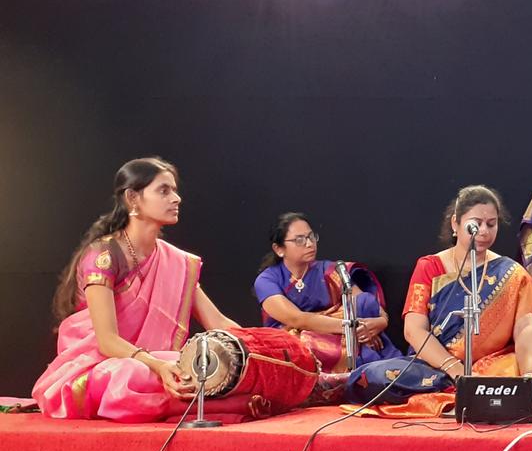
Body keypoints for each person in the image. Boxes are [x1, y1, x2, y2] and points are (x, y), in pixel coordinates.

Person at [32, 157, 242, 423]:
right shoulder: (103, 255)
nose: (176, 198)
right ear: (133, 198)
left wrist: (260, 348)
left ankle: (195, 398)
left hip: (158, 362)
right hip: (103, 364)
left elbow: (218, 322)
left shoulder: (176, 262)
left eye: (175, 190)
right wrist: (159, 366)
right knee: (131, 375)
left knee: (199, 365)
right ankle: (210, 402)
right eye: (164, 191)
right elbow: (107, 341)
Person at [344, 185, 532, 416]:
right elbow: (414, 331)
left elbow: (526, 329)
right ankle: (473, 393)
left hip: (496, 367)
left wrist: (528, 379)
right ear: (455, 223)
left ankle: (471, 395)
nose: (483, 231)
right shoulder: (430, 267)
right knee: (372, 378)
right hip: (438, 367)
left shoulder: (513, 273)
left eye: (491, 224)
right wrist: (455, 369)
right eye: (476, 224)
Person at [254, 213, 403, 373]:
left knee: (363, 304)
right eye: (300, 240)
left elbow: (368, 306)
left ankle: (380, 369)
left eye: (311, 237)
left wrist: (379, 324)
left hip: (347, 332)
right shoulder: (267, 280)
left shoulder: (331, 271)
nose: (310, 244)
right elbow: (296, 319)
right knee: (309, 342)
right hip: (298, 339)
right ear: (279, 249)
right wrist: (351, 328)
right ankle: (368, 370)